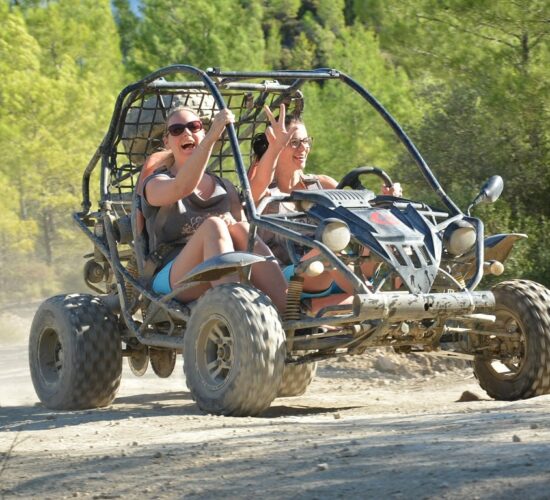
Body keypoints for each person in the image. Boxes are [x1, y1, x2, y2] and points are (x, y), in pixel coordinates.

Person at [248, 104, 402, 307]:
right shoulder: (266, 190)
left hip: (338, 272)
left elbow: (361, 216)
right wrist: (274, 148)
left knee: (388, 237)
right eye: (294, 143)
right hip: (291, 275)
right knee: (327, 252)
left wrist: (387, 202)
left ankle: (410, 303)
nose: (303, 148)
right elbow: (254, 189)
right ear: (277, 145)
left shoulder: (323, 184)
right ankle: (376, 303)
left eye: (306, 141)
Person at [140, 105, 287, 311]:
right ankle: (240, 313)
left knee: (242, 229)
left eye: (194, 126)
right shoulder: (156, 183)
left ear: (201, 130)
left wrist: (276, 148)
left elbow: (252, 205)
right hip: (171, 276)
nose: (187, 133)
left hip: (221, 272)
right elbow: (181, 186)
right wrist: (211, 137)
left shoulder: (223, 186)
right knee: (214, 226)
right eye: (177, 130)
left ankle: (290, 312)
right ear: (167, 141)